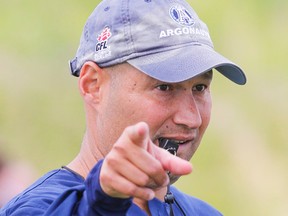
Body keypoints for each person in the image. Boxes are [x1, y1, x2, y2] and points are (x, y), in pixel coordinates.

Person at [0, 0, 246, 215]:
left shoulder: (204, 213)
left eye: (200, 88)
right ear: (93, 85)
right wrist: (103, 201)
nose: (190, 118)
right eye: (164, 87)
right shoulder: (36, 209)